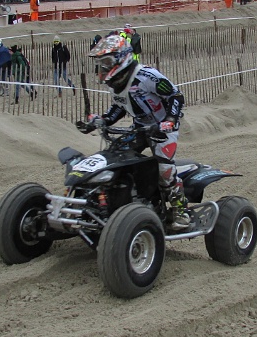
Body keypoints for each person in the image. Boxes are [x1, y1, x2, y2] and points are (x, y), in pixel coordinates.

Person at [80, 33, 189, 230]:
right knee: (116, 156)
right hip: (140, 128)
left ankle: (181, 210)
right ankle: (124, 200)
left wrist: (170, 120)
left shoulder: (147, 76)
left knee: (164, 170)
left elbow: (176, 96)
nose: (102, 68)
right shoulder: (117, 82)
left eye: (106, 62)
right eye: (100, 64)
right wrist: (102, 120)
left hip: (162, 128)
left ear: (121, 58)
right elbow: (121, 106)